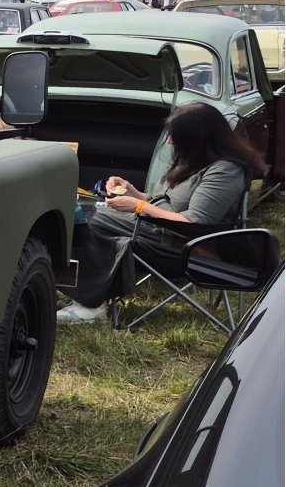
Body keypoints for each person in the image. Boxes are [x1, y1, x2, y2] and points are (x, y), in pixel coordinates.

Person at [57, 102, 262, 322]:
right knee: (82, 210)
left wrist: (139, 207)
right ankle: (86, 294)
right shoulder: (192, 160)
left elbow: (193, 224)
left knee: (90, 220)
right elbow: (162, 203)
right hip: (155, 230)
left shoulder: (225, 170)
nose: (170, 141)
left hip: (183, 246)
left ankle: (92, 306)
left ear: (198, 137)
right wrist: (132, 192)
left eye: (175, 136)